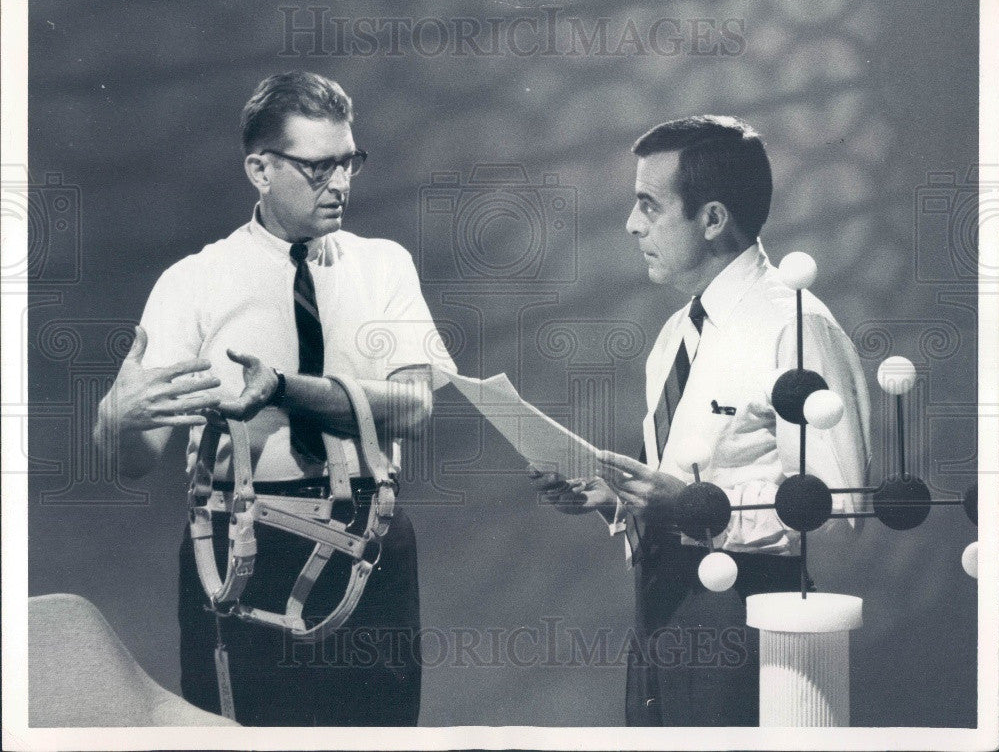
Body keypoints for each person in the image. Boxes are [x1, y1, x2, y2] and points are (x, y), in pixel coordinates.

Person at [93, 71, 456, 726]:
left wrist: (288, 392)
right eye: (318, 168)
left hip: (369, 541)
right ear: (260, 169)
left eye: (349, 162)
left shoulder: (384, 266)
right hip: (239, 549)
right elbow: (133, 455)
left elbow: (415, 407)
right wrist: (116, 420)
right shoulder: (194, 282)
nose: (340, 184)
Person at [530, 115, 870, 726]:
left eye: (649, 207)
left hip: (747, 613)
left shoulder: (794, 323)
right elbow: (680, 487)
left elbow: (840, 501)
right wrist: (614, 496)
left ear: (712, 219)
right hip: (662, 602)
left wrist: (694, 504)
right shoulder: (676, 335)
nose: (632, 226)